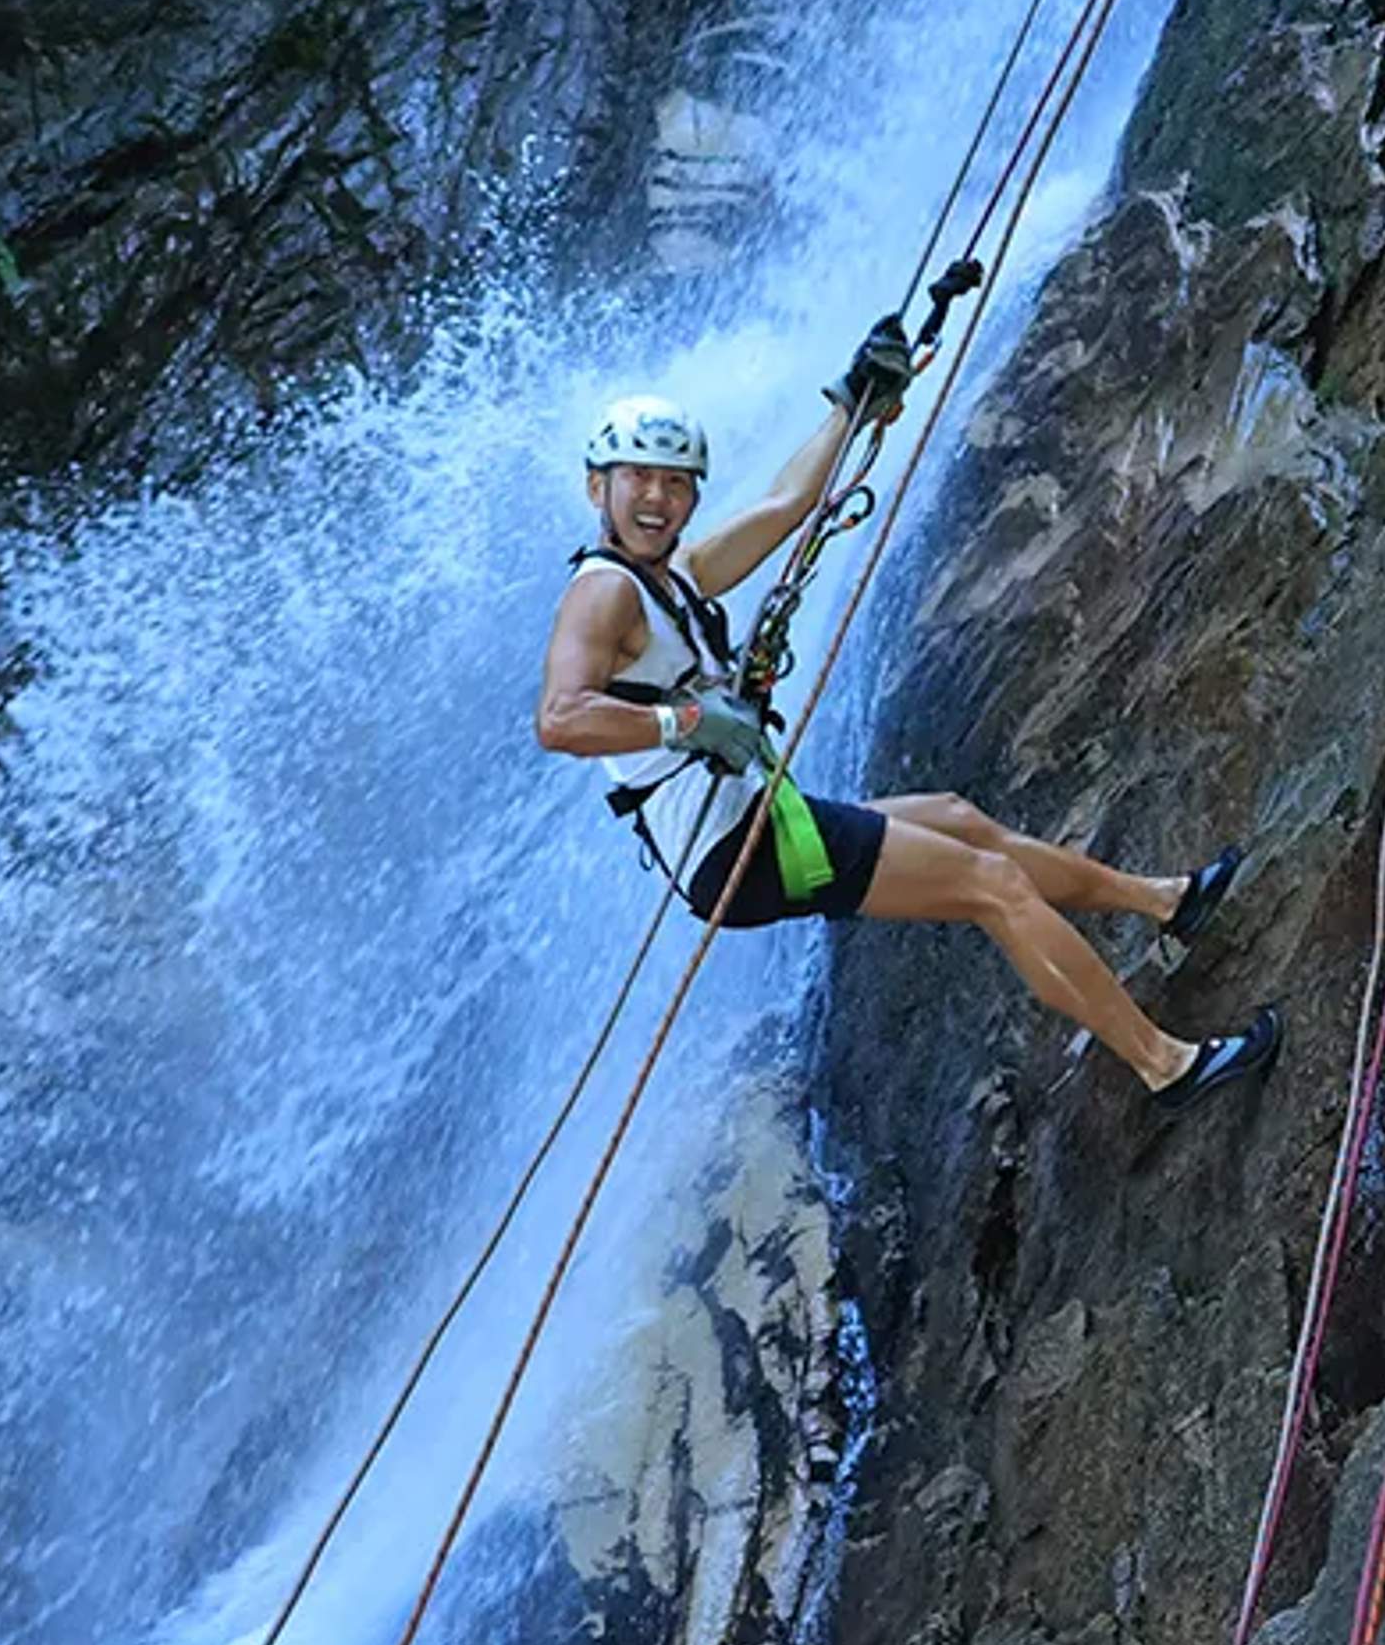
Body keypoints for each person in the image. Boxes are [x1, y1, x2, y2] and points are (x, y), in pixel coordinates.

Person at [531, 326, 1282, 1114]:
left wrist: (849, 406)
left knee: (963, 824)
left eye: (676, 483)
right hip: (736, 852)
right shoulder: (604, 591)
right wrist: (687, 722)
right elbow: (561, 718)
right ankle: (1165, 1064)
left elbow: (787, 506)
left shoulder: (673, 577)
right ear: (597, 489)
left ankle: (1167, 900)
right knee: (992, 887)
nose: (657, 497)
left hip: (760, 823)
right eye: (638, 479)